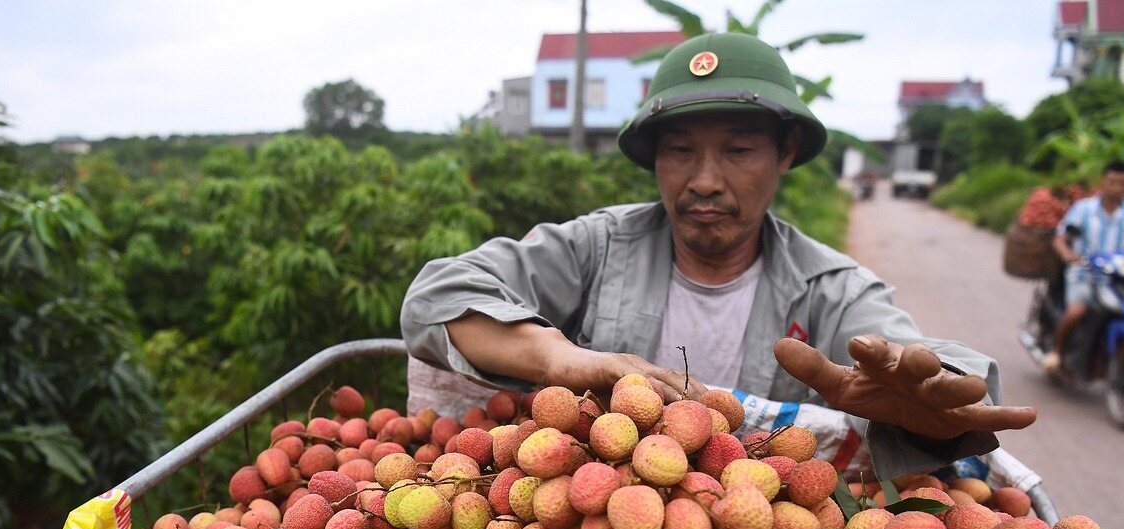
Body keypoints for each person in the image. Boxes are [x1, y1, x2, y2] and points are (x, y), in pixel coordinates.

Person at [401, 32, 1035, 478]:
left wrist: (928, 411)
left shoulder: (831, 286)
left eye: (738, 151)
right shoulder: (596, 247)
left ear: (786, 153)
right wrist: (559, 357)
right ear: (655, 159)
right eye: (680, 151)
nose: (704, 180)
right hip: (601, 511)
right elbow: (438, 296)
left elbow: (921, 364)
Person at [1044, 160, 1124, 374]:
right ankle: (1056, 353)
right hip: (1084, 273)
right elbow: (1060, 238)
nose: (1116, 188)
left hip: (1119, 280)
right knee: (1077, 311)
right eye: (1112, 182)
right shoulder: (1084, 208)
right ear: (1102, 181)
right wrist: (1068, 254)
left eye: (1122, 184)